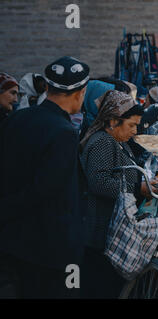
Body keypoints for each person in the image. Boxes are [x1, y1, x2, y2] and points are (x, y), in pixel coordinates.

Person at [0, 56, 88, 298]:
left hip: (12, 241)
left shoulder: (16, 119)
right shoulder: (64, 132)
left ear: (47, 87)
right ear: (81, 92)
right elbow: (47, 191)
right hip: (49, 249)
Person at [79, 90, 158, 298]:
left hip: (112, 229)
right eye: (131, 125)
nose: (135, 131)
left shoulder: (119, 142)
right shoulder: (102, 142)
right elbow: (99, 182)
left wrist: (147, 184)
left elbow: (123, 175)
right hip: (100, 232)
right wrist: (138, 189)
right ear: (114, 121)